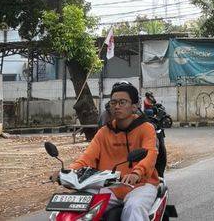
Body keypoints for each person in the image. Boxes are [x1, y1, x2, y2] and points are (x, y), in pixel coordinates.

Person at [53, 82, 160, 221]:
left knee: (134, 208)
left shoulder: (146, 128)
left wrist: (137, 172)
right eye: (113, 102)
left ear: (134, 106)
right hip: (109, 186)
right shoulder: (103, 132)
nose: (116, 106)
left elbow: (150, 153)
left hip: (140, 185)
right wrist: (68, 172)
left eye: (122, 102)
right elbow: (87, 158)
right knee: (78, 206)